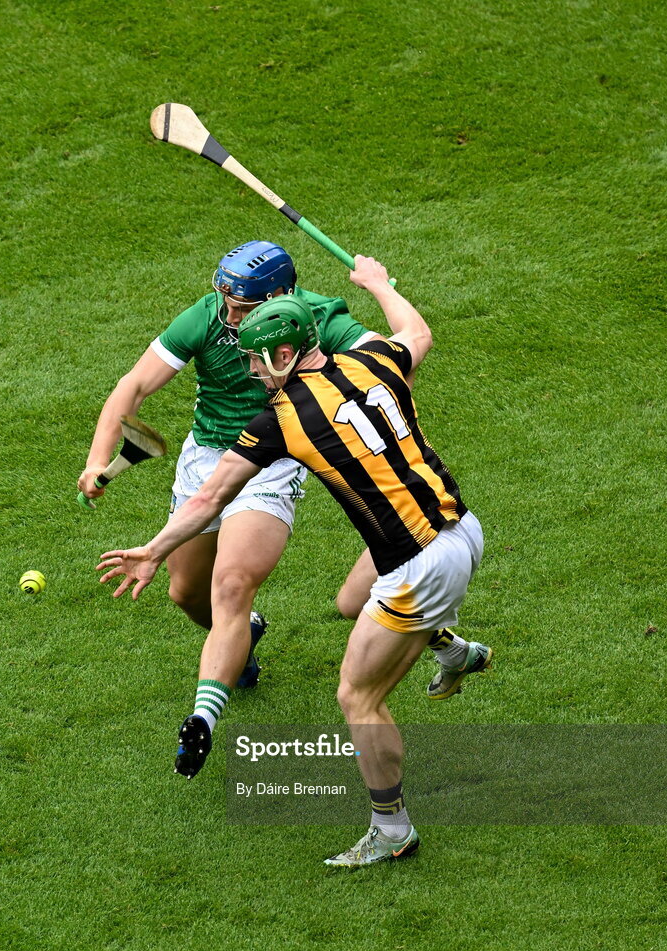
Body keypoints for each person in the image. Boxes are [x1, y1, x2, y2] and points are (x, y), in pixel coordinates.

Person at [96, 279, 493, 868]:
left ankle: (392, 829)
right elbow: (418, 332)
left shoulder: (281, 419)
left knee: (358, 696)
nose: (252, 371)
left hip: (420, 565)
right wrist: (378, 283)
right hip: (460, 527)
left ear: (284, 355)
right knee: (351, 601)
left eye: (257, 359)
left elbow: (206, 502)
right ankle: (453, 651)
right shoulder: (373, 358)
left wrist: (153, 550)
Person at [79, 241, 460, 692]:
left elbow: (393, 356)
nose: (229, 315)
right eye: (226, 301)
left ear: (278, 298)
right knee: (186, 594)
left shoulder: (316, 319)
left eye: (240, 307)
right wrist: (97, 460)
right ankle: (243, 637)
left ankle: (207, 709)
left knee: (233, 585)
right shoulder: (206, 316)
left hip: (272, 457)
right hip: (206, 456)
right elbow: (135, 384)